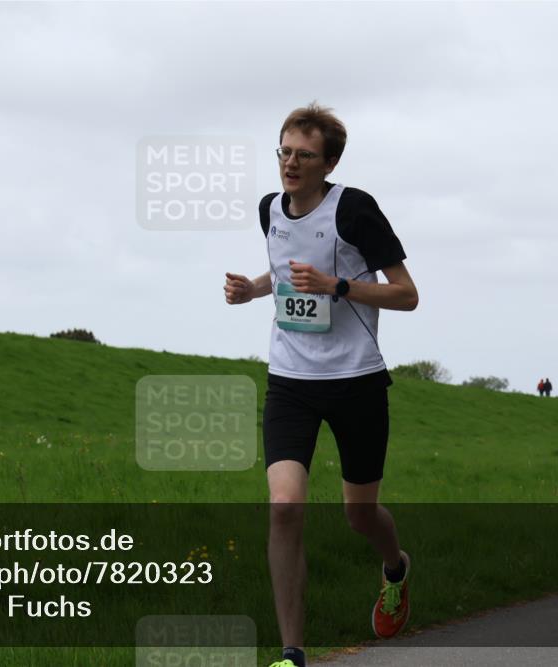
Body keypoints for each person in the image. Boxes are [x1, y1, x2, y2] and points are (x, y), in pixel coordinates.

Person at [225, 103, 419, 667]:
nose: (290, 164)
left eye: (304, 156)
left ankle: (396, 568)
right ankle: (292, 652)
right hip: (290, 379)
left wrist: (340, 286)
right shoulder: (270, 209)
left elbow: (407, 294)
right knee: (284, 505)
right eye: (284, 152)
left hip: (356, 380)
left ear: (328, 162)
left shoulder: (355, 210)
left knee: (360, 514)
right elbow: (287, 271)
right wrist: (254, 290)